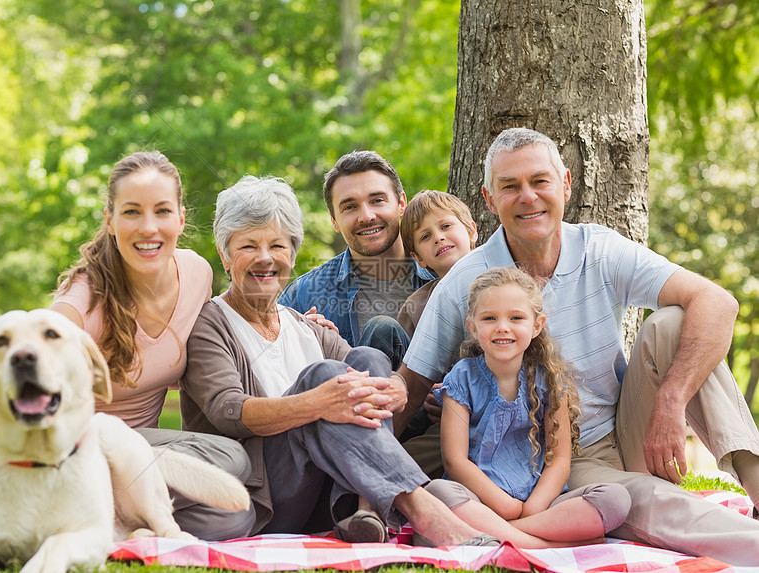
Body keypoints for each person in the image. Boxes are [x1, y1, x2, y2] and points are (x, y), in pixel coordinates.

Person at [396, 127, 759, 565]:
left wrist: (670, 403)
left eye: (540, 181)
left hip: (625, 427)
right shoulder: (464, 281)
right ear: (489, 200)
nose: (528, 197)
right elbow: (411, 385)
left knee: (681, 322)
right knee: (652, 503)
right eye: (510, 186)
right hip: (555, 460)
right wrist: (369, 471)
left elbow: (718, 302)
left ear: (565, 183)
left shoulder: (600, 249)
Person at [180, 174, 577, 549]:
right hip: (259, 497)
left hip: (323, 498)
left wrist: (416, 393)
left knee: (368, 358)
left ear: (292, 252)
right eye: (249, 246)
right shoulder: (211, 323)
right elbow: (226, 411)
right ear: (224, 254)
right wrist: (316, 402)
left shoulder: (306, 327)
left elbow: (375, 384)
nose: (265, 258)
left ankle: (367, 508)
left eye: (278, 245)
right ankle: (419, 507)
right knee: (325, 376)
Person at [51, 150, 255, 540]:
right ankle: (88, 512)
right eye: (131, 212)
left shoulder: (196, 272)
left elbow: (223, 332)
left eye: (161, 211)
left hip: (141, 468)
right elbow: (40, 343)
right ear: (110, 220)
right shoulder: (85, 296)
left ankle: (112, 523)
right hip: (80, 453)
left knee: (233, 520)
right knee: (231, 459)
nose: (148, 228)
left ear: (180, 217)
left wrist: (299, 322)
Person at [433, 266, 630, 544]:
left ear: (537, 325)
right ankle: (543, 545)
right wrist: (506, 507)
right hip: (480, 500)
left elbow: (559, 460)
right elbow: (455, 461)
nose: (503, 327)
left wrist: (531, 508)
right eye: (489, 318)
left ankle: (505, 538)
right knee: (439, 492)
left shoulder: (549, 379)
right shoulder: (462, 378)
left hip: (539, 504)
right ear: (473, 326)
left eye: (516, 317)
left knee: (614, 499)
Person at [278, 150, 434, 370]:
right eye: (350, 207)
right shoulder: (304, 295)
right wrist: (300, 345)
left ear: (401, 204)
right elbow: (267, 366)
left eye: (377, 200)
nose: (367, 216)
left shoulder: (444, 274)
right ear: (334, 221)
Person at [395, 190, 477, 465]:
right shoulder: (416, 305)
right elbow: (412, 372)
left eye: (445, 226)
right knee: (405, 461)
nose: (438, 237)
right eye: (425, 236)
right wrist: (431, 395)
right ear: (419, 259)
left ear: (471, 231)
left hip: (499, 406)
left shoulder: (503, 280)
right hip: (443, 421)